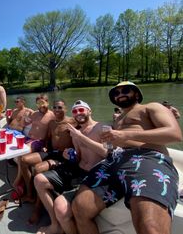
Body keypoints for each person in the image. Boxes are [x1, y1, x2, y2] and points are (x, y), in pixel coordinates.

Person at [72, 81, 182, 234]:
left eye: (125, 90)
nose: (120, 94)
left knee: (150, 226)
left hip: (146, 157)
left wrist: (126, 134)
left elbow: (174, 134)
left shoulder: (151, 107)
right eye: (116, 93)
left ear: (136, 94)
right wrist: (110, 143)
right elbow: (113, 144)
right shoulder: (117, 119)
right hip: (114, 161)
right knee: (80, 208)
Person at [34, 100, 107, 234]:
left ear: (89, 111)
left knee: (61, 209)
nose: (78, 114)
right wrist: (69, 156)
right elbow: (79, 157)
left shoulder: (102, 127)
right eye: (75, 111)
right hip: (76, 171)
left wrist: (81, 137)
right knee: (39, 179)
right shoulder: (76, 133)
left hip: (94, 175)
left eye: (81, 110)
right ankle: (55, 225)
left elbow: (108, 152)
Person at [12, 94, 55, 198]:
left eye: (43, 103)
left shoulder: (52, 115)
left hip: (39, 142)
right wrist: (23, 117)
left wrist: (48, 145)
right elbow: (23, 124)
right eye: (39, 103)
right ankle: (22, 182)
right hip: (28, 139)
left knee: (21, 154)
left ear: (47, 102)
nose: (41, 105)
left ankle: (17, 182)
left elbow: (56, 129)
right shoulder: (34, 114)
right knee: (15, 151)